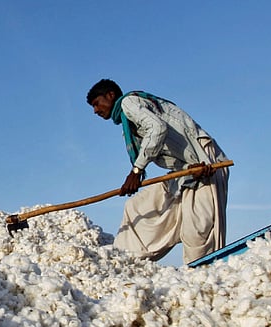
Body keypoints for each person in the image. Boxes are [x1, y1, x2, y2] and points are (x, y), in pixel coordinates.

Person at [86, 79, 229, 264]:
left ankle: (205, 278)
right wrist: (187, 169)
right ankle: (124, 262)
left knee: (199, 231)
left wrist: (136, 171)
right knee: (136, 207)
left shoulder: (129, 103)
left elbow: (158, 128)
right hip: (186, 170)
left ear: (110, 95)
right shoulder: (129, 125)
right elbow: (163, 148)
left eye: (97, 104)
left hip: (206, 162)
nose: (95, 111)